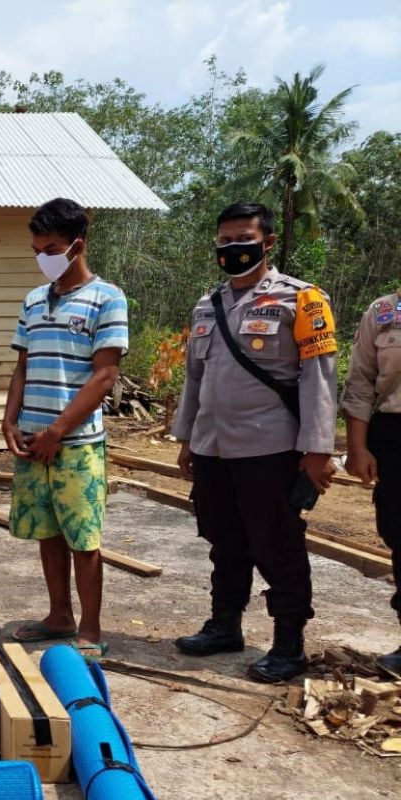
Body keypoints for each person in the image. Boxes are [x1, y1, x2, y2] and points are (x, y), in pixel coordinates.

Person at [172, 201, 338, 683]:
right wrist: (186, 439)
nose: (232, 249)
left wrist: (317, 449)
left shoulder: (302, 300)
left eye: (242, 239)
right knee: (223, 541)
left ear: (267, 242)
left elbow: (319, 379)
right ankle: (225, 625)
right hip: (212, 447)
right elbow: (194, 380)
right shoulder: (208, 304)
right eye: (224, 241)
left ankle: (289, 643)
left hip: (270, 448)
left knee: (277, 545)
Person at [4, 198, 127, 661]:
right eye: (38, 249)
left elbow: (104, 376)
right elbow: (23, 365)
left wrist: (58, 430)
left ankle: (90, 627)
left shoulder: (107, 298)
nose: (44, 257)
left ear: (78, 244)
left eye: (51, 248)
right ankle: (59, 615)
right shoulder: (34, 301)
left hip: (75, 445)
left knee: (83, 537)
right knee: (48, 533)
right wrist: (9, 419)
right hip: (34, 440)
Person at [342, 290, 401, 676]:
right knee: (399, 532)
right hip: (394, 433)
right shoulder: (383, 312)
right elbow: (361, 381)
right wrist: (357, 446)